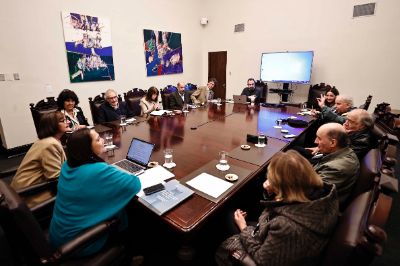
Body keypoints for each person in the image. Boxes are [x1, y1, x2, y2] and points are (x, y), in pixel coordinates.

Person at [215, 150, 339, 266]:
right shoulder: (321, 195)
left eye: (271, 178)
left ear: (283, 185)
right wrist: (274, 193)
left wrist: (243, 227)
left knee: (225, 216)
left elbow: (262, 259)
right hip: (280, 242)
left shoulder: (288, 227)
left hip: (264, 252)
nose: (268, 180)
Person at [49, 128, 141, 257]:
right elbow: (134, 184)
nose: (103, 140)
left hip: (59, 234)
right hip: (79, 244)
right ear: (87, 148)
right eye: (98, 139)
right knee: (134, 213)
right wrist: (114, 170)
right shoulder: (98, 170)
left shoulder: (67, 165)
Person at [11, 111, 69, 205]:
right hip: (31, 193)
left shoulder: (46, 140)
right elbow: (55, 177)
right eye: (63, 121)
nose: (68, 122)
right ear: (52, 126)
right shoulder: (50, 144)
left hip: (25, 188)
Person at [308, 123, 359, 206]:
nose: (315, 141)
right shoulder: (343, 151)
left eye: (319, 138)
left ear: (332, 143)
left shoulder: (337, 168)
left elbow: (310, 193)